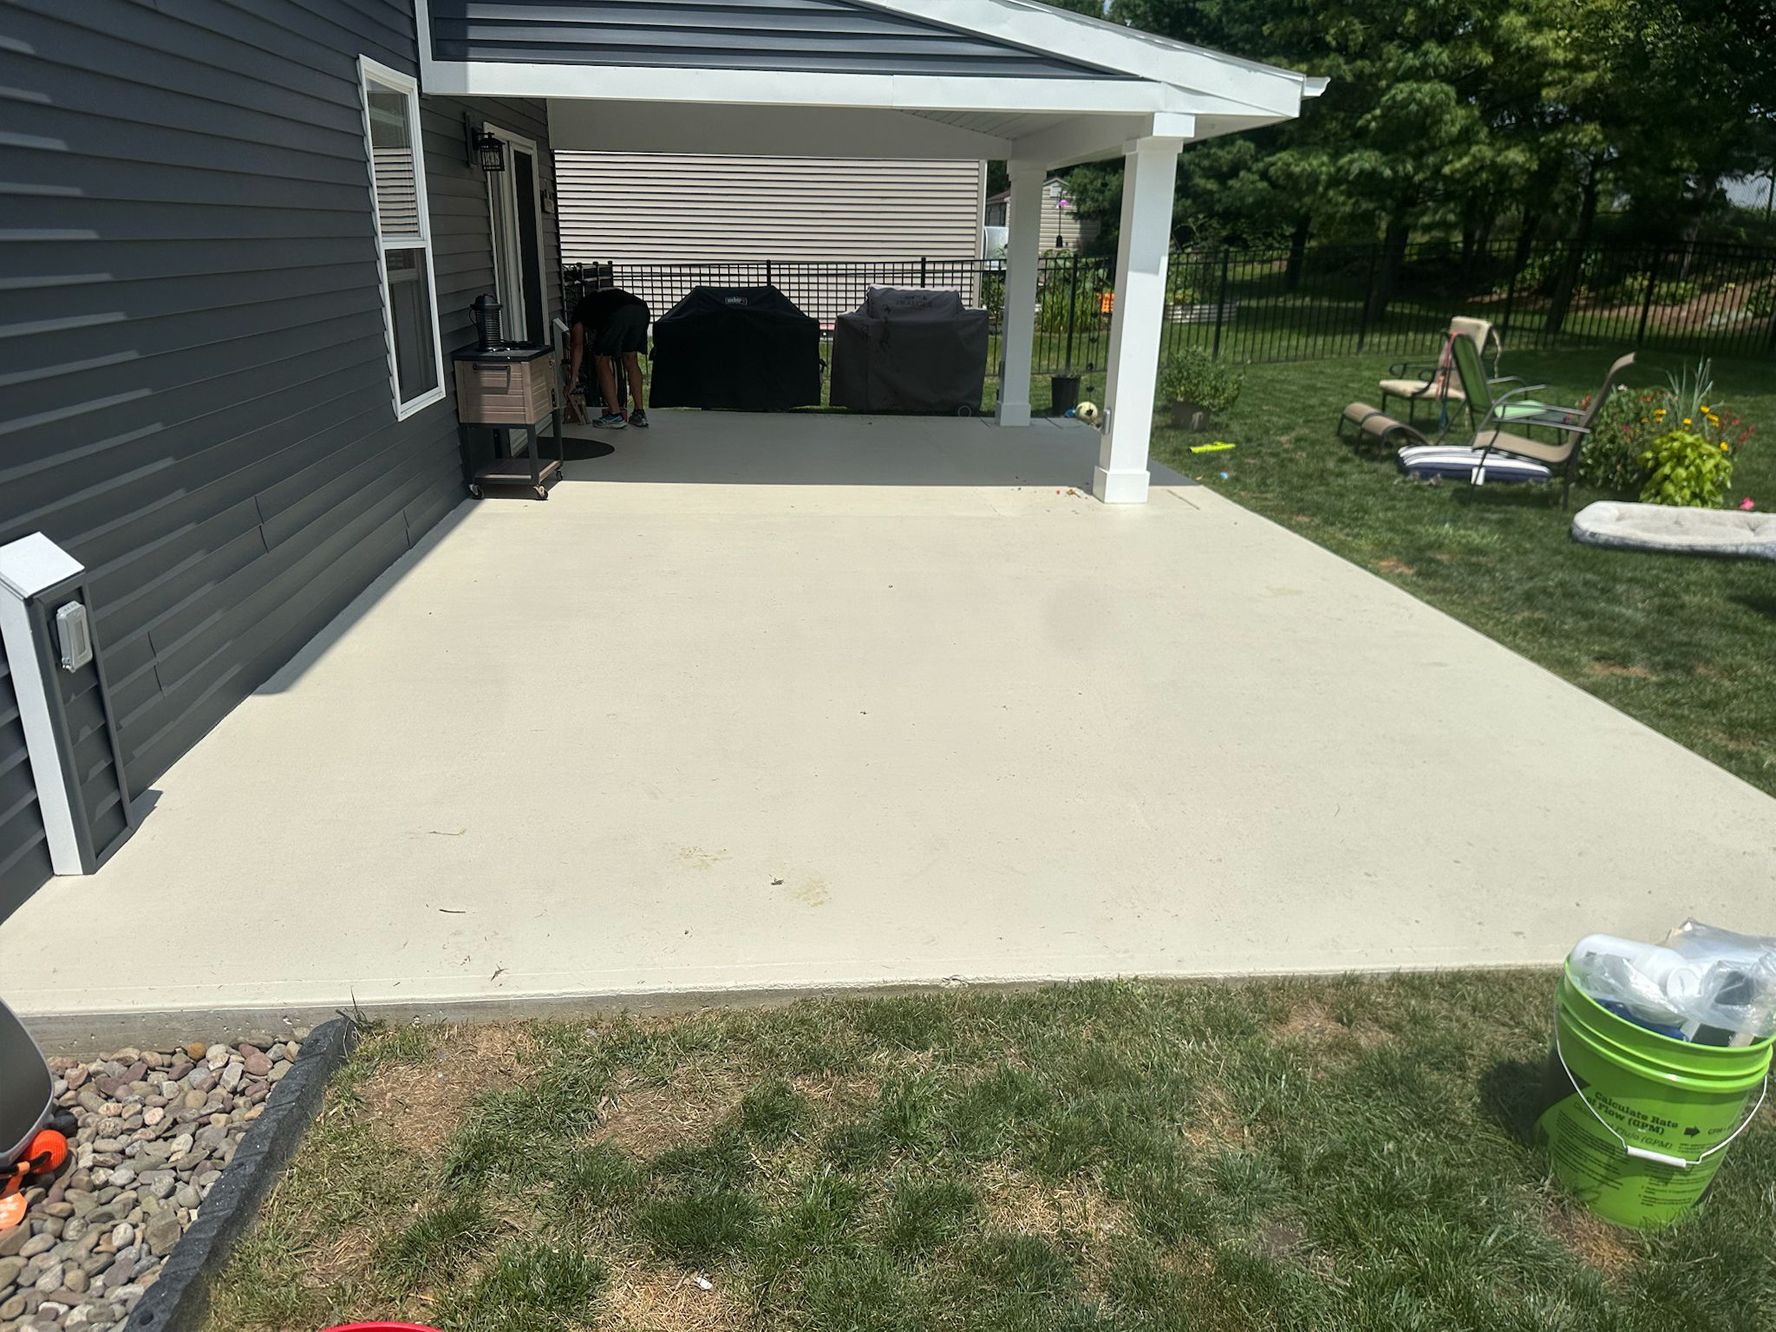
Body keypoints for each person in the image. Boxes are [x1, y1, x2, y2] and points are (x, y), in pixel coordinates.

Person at [567, 274, 649, 429]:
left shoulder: (581, 309)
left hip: (617, 314)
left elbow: (577, 345)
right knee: (631, 359)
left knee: (601, 359)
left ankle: (615, 415)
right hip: (641, 309)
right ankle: (639, 413)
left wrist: (573, 379)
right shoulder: (604, 296)